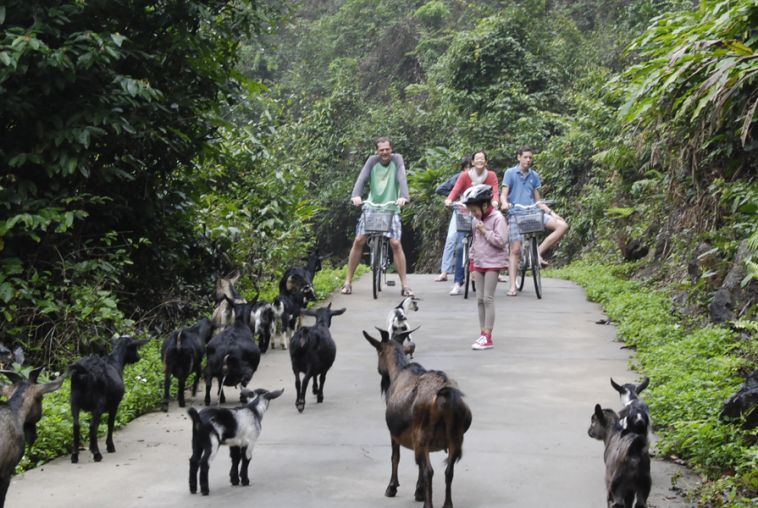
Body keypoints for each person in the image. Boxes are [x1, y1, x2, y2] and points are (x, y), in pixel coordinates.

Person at [341, 137, 414, 297]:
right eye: (381, 150)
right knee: (359, 240)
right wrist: (356, 195)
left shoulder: (397, 159)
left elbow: (402, 178)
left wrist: (404, 196)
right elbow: (362, 178)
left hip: (391, 206)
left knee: (395, 243)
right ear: (377, 151)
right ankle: (348, 282)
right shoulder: (372, 161)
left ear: (391, 149)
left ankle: (405, 285)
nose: (385, 152)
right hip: (372, 206)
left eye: (387, 149)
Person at [500, 145, 569, 296]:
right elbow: (503, 195)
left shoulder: (534, 175)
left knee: (562, 226)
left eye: (530, 157)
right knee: (515, 250)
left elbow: (538, 201)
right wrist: (504, 204)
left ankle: (537, 252)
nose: (528, 160)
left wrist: (553, 213)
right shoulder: (510, 173)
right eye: (525, 157)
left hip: (533, 213)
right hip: (516, 213)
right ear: (519, 157)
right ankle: (512, 285)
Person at [444, 150, 499, 295]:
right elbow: (456, 190)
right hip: (467, 215)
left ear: (486, 162)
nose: (480, 161)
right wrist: (449, 200)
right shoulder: (465, 176)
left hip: (484, 215)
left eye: (483, 159)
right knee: (461, 246)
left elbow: (495, 191)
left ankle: (486, 275)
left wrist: (495, 201)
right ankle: (457, 282)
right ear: (473, 162)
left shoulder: (491, 175)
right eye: (477, 159)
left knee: (487, 244)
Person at [462, 184, 508, 350]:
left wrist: (485, 231)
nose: (473, 214)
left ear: (484, 205)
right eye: (471, 211)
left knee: (488, 298)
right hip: (480, 262)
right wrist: (472, 264)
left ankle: (488, 336)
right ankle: (482, 333)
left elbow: (501, 241)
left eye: (474, 210)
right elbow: (474, 244)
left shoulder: (497, 219)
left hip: (493, 262)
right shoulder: (476, 221)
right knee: (479, 299)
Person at [434, 156, 472, 282]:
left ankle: (494, 271)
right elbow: (440, 189)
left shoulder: (480, 177)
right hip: (460, 211)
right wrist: (452, 199)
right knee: (451, 239)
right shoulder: (458, 177)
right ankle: (444, 271)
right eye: (468, 167)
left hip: (476, 212)